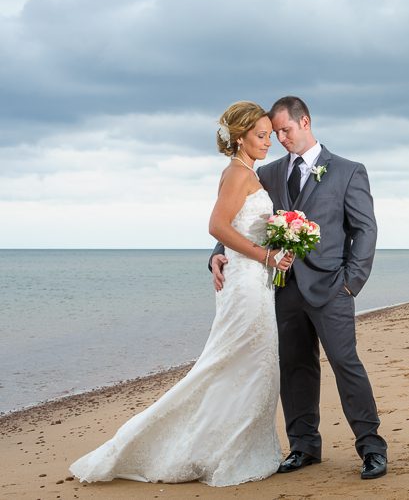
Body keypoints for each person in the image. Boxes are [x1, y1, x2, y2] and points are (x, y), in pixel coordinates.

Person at [70, 101, 294, 487]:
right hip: (245, 287)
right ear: (240, 138)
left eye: (269, 136)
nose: (267, 142)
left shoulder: (245, 173)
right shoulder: (237, 175)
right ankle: (193, 447)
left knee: (249, 366)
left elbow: (238, 229)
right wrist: (266, 256)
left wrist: (273, 247)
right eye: (260, 136)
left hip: (254, 283)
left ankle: (235, 444)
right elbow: (217, 227)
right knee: (232, 364)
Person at [210, 96, 388, 479]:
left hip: (331, 289)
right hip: (281, 289)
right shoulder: (269, 173)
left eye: (286, 130)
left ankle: (371, 447)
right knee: (294, 368)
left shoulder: (347, 171)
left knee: (345, 364)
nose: (280, 139)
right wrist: (216, 253)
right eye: (274, 133)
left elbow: (365, 230)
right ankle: (304, 446)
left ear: (305, 122)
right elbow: (241, 220)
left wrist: (351, 283)